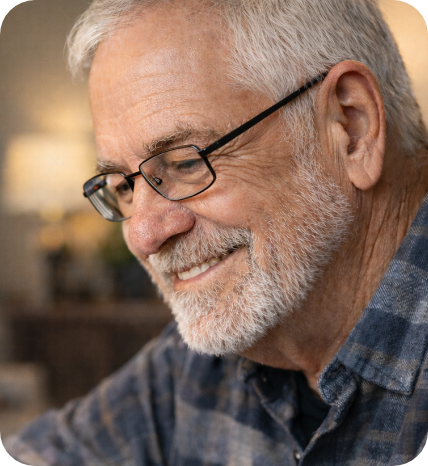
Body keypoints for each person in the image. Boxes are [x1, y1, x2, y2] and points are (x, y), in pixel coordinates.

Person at [3, 0, 428, 464]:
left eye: (186, 162)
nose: (144, 236)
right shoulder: (203, 361)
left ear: (351, 126)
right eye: (123, 186)